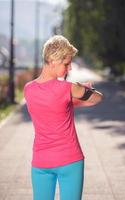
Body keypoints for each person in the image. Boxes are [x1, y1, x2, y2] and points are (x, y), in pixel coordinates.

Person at [23, 35, 103, 200]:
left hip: (40, 162)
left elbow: (53, 104)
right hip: (70, 161)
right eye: (66, 63)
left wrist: (70, 100)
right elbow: (97, 98)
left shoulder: (28, 89)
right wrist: (84, 89)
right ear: (53, 60)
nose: (70, 68)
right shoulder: (68, 88)